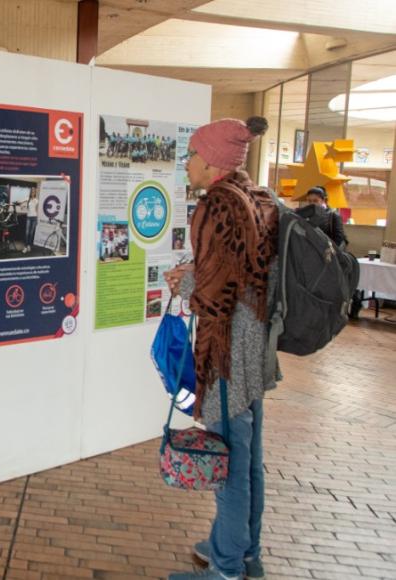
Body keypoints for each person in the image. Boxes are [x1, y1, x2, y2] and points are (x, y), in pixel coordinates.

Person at [163, 116, 279, 580]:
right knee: (248, 459)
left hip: (227, 351)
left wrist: (186, 285)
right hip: (256, 347)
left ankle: (226, 568)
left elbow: (215, 296)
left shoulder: (216, 206)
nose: (186, 163)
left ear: (210, 161)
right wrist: (195, 273)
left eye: (191, 154)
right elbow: (243, 272)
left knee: (228, 462)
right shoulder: (257, 197)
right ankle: (241, 550)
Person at [21, 188, 38, 253]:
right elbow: (23, 204)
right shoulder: (28, 199)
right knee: (27, 233)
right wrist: (22, 206)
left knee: (31, 233)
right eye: (32, 192)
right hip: (29, 217)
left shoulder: (36, 200)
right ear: (30, 193)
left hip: (34, 218)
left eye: (34, 192)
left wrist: (37, 218)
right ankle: (25, 246)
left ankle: (29, 246)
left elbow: (36, 209)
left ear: (35, 193)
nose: (33, 193)